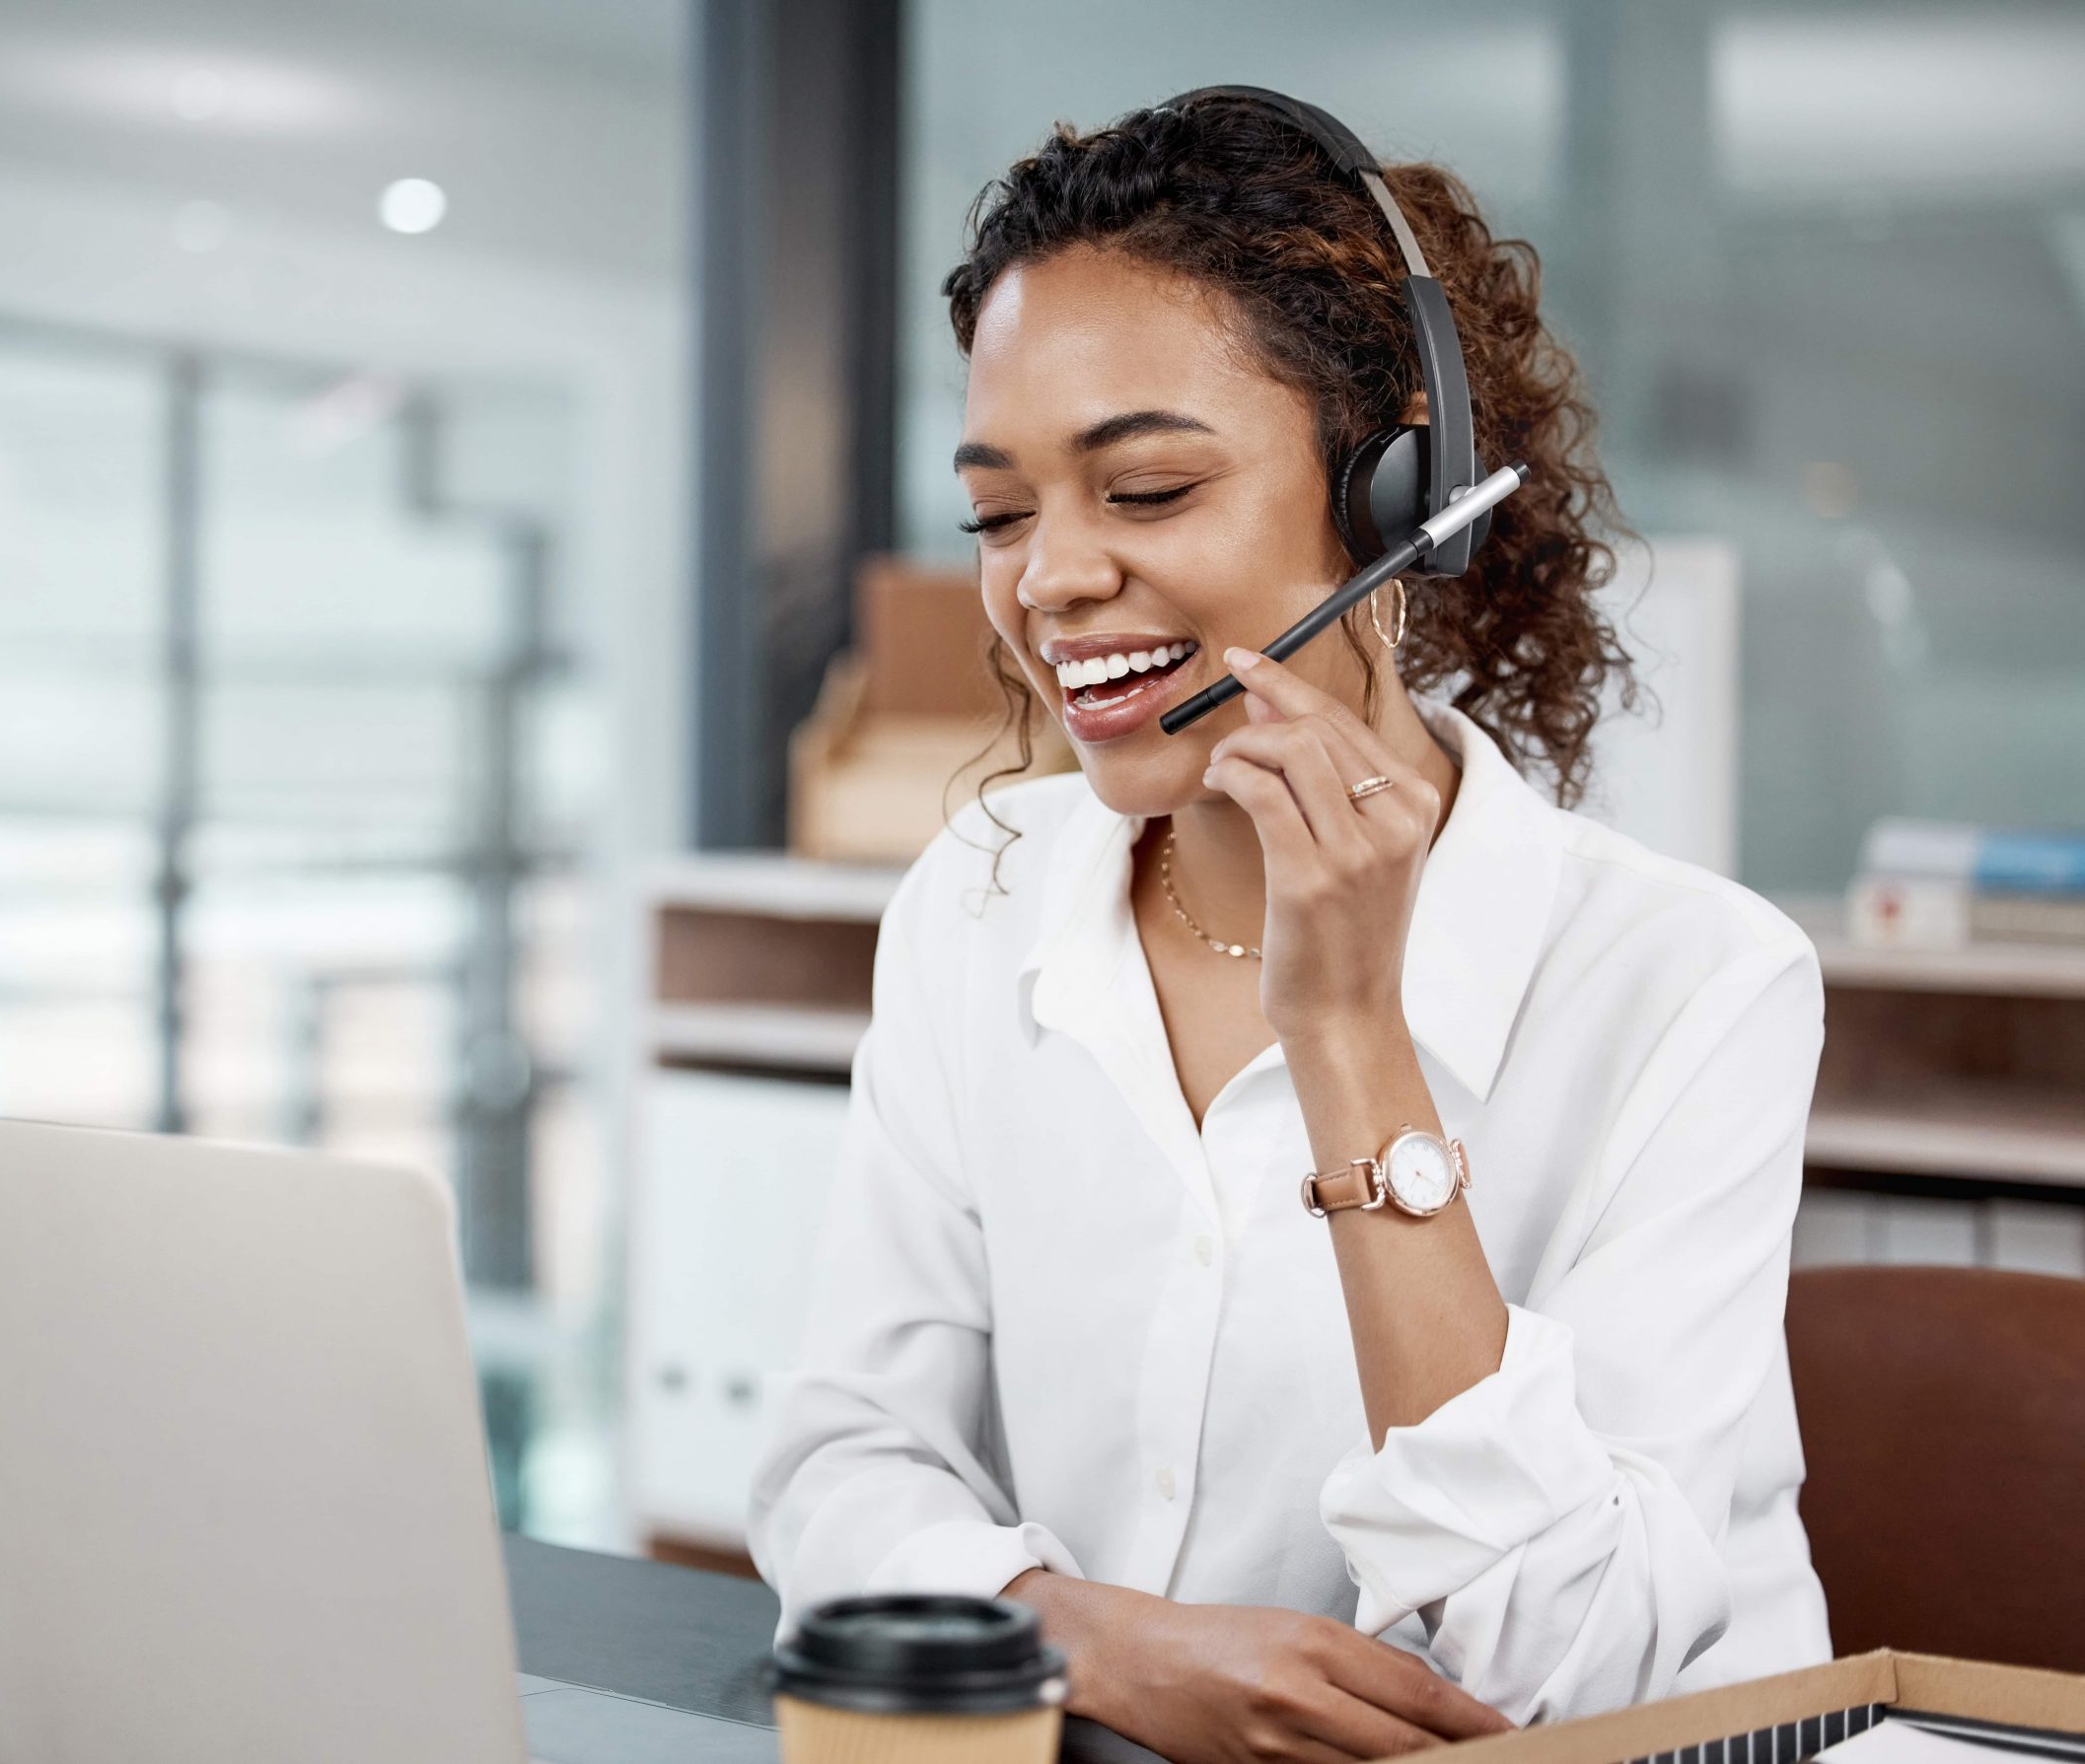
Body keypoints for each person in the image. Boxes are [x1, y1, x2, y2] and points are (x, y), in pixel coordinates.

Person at [748, 89, 1830, 1762]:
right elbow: (840, 1458)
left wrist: (1351, 1046)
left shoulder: (1690, 983)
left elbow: (1585, 1672)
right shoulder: (979, 905)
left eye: (1151, 490)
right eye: (1002, 511)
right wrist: (1087, 1637)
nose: (1047, 582)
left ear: (1396, 495)